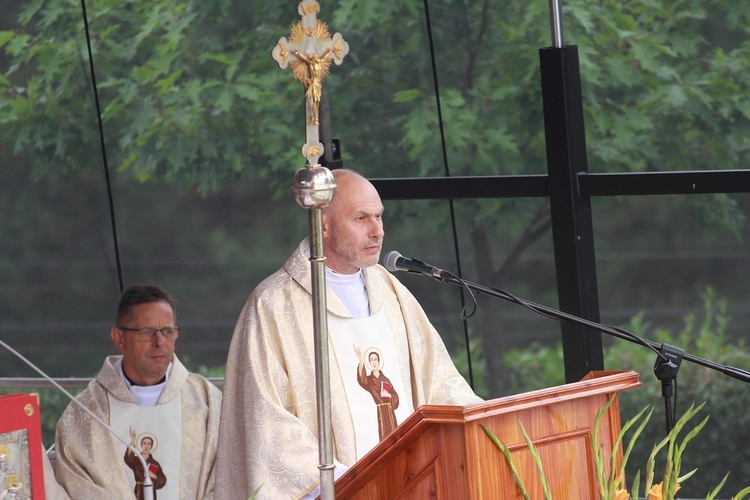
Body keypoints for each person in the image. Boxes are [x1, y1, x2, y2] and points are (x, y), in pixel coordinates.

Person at [216, 169, 481, 499]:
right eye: (361, 218)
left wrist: (483, 425)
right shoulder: (274, 305)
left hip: (413, 483)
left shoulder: (391, 291)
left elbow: (438, 380)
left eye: (379, 217)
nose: (377, 231)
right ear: (323, 225)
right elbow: (266, 423)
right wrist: (348, 482)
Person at [55, 284, 222, 499]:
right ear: (119, 339)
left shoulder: (207, 403)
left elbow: (226, 477)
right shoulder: (85, 413)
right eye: (147, 332)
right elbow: (77, 486)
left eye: (168, 332)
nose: (160, 342)